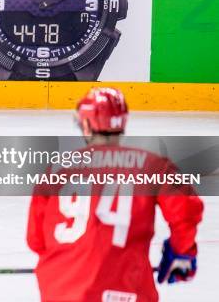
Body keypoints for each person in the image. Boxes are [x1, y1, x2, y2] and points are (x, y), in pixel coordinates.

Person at [26, 87, 204, 301]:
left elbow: (35, 240)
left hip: (61, 290)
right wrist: (182, 252)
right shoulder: (152, 166)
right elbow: (185, 211)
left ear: (86, 125)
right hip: (127, 291)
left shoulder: (56, 170)